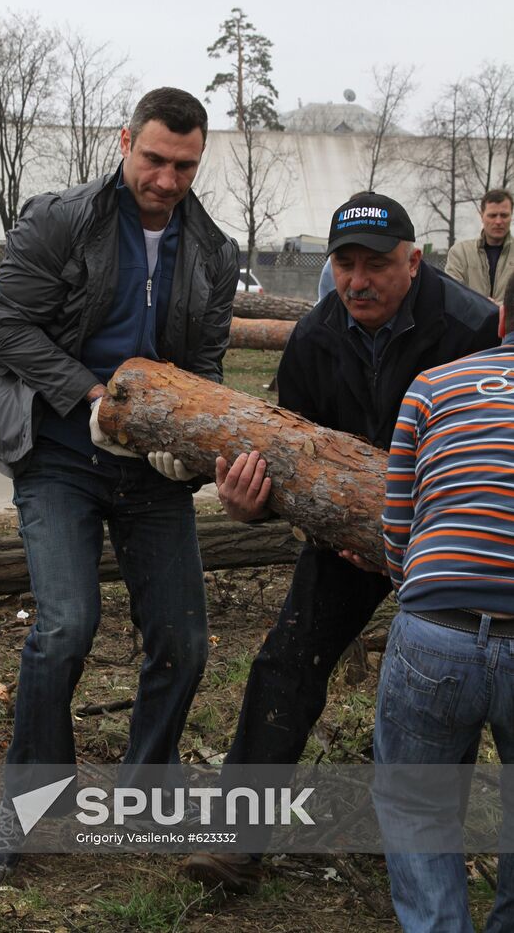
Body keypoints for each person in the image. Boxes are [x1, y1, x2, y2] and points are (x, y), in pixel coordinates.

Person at [185, 191, 500, 893]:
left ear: (413, 262)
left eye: (376, 266)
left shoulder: (470, 329)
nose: (357, 281)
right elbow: (288, 458)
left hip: (454, 541)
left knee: (455, 688)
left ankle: (433, 866)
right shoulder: (315, 338)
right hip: (348, 539)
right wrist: (256, 509)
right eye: (344, 264)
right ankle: (237, 842)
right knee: (285, 662)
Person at [0, 87, 240, 881]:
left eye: (184, 165)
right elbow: (9, 330)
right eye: (153, 158)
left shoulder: (214, 252)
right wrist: (95, 399)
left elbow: (209, 366)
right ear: (125, 141)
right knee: (65, 628)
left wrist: (183, 437)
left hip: (151, 471)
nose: (165, 178)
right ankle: (25, 806)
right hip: (58, 451)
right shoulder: (58, 220)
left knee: (185, 643)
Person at [374, 271, 514, 932]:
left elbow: (396, 531)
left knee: (416, 806)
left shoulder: (432, 386)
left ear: (501, 320)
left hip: (436, 629)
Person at [445, 188, 513, 303]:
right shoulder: (460, 253)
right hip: (472, 321)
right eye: (492, 215)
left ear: (511, 216)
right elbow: (452, 293)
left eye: (504, 215)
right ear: (481, 216)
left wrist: (501, 309)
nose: (498, 221)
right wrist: (485, 308)